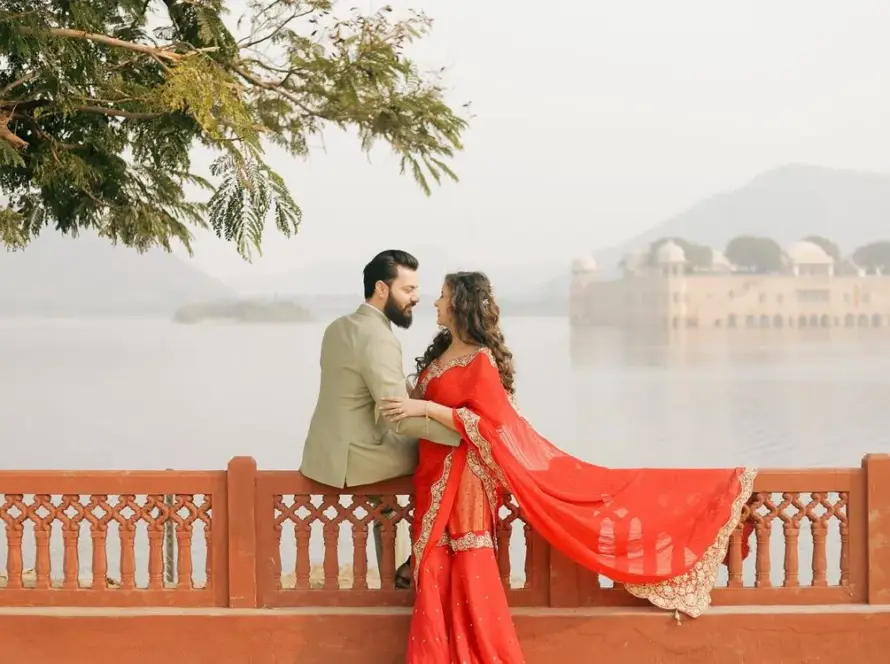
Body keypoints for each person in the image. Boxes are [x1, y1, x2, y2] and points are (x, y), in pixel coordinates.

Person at [380, 271, 757, 664]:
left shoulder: (480, 361)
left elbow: (491, 426)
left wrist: (425, 408)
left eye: (442, 296)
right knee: (434, 571)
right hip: (432, 476)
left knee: (467, 569)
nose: (435, 303)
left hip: (465, 482)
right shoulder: (438, 356)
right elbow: (414, 403)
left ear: (460, 304)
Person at [300, 250, 462, 589]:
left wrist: (415, 395)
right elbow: (396, 419)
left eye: (417, 290)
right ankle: (422, 564)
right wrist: (461, 429)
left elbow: (362, 390)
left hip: (323, 453)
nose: (417, 298)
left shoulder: (340, 326)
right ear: (382, 289)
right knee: (448, 455)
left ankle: (401, 571)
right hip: (357, 457)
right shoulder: (379, 338)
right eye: (408, 290)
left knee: (389, 505)